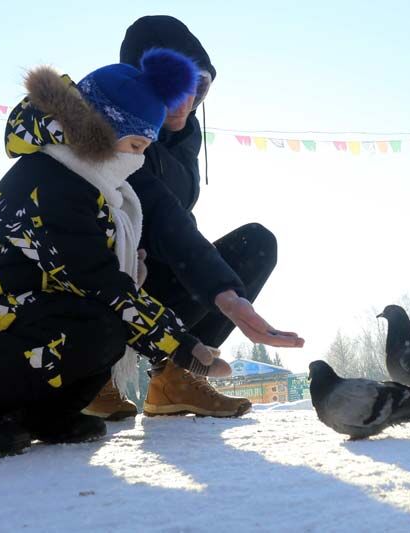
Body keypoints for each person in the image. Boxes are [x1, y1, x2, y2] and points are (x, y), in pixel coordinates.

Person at [0, 48, 223, 459]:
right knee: (96, 323)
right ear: (104, 135)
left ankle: (42, 415)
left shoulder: (89, 181)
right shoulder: (55, 182)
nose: (138, 160)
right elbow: (97, 280)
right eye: (135, 145)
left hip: (27, 295)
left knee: (106, 330)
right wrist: (182, 348)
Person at [83, 15, 305, 420]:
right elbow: (156, 214)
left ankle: (173, 376)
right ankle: (88, 377)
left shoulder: (186, 137)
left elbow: (175, 222)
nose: (186, 102)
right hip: (98, 280)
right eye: (173, 87)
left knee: (254, 245)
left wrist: (226, 294)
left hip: (158, 274)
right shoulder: (111, 128)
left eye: (197, 87)